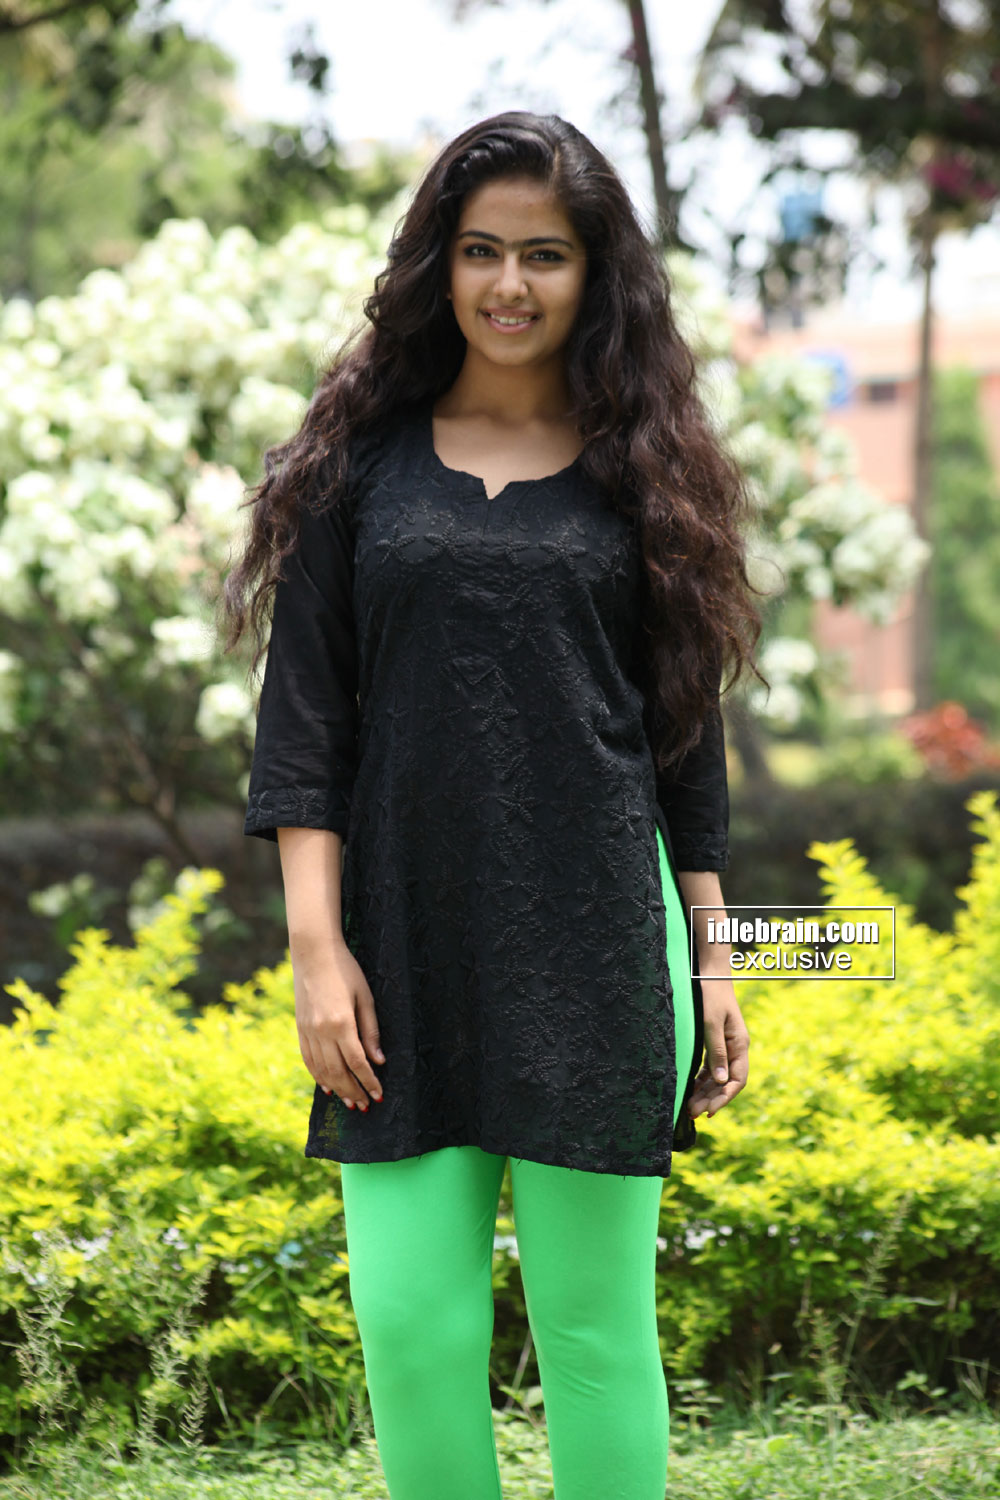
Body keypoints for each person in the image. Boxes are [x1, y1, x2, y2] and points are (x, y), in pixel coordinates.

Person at [223, 110, 757, 1500]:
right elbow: (305, 724)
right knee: (411, 1329)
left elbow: (686, 743)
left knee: (595, 1335)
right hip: (400, 943)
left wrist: (715, 959)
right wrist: (315, 947)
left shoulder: (648, 473)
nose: (509, 284)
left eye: (544, 254)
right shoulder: (356, 466)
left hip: (602, 943)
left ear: (595, 275)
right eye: (480, 251)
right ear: (438, 263)